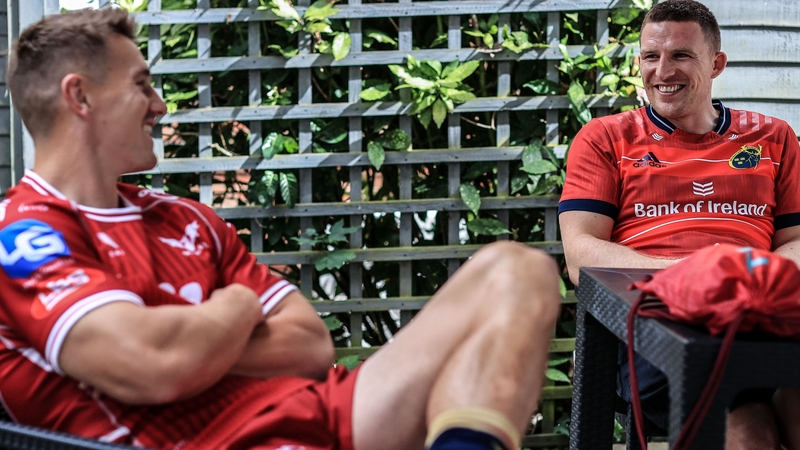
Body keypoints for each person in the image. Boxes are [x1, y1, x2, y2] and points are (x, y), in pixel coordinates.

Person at [0, 8, 562, 450]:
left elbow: (309, 345)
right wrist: (238, 305)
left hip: (331, 414)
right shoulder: (21, 235)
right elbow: (153, 365)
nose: (160, 105)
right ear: (79, 96)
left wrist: (190, 340)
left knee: (520, 270)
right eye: (142, 85)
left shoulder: (185, 218)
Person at [559, 0, 800, 448]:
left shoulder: (774, 137)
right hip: (659, 329)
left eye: (681, 55)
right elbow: (581, 255)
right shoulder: (606, 138)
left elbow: (797, 241)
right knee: (751, 435)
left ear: (717, 64)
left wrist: (752, 281)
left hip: (761, 319)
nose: (662, 70)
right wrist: (694, 276)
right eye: (651, 56)